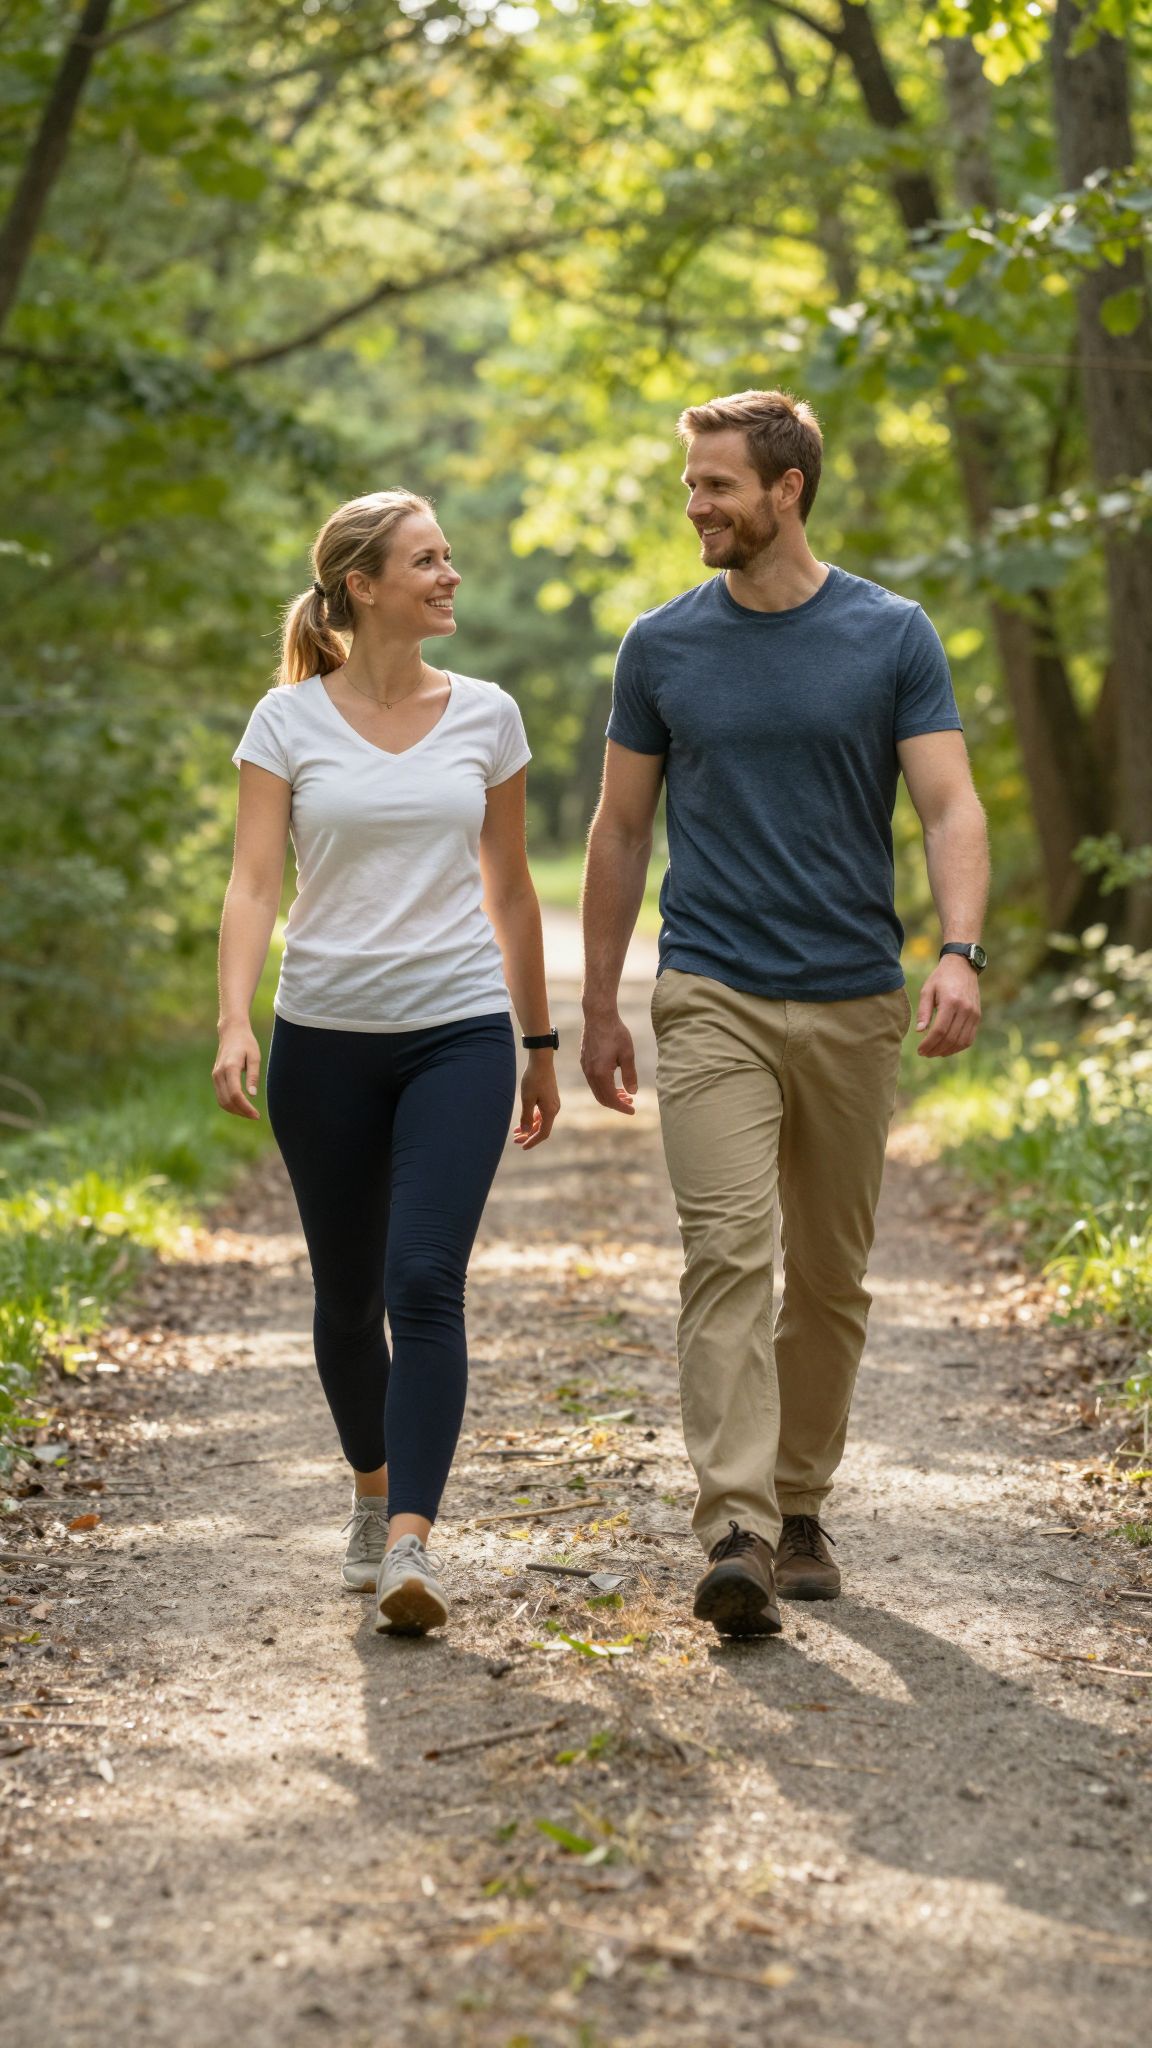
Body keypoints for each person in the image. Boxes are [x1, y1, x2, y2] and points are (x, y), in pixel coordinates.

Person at [580, 391, 989, 1638]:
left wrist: (959, 951)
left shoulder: (891, 633)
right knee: (726, 1249)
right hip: (711, 991)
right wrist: (596, 1003)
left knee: (828, 1274)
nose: (695, 505)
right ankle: (738, 1527)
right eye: (692, 483)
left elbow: (951, 809)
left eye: (716, 485)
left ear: (787, 489)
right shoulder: (661, 645)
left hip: (854, 994)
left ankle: (804, 1502)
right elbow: (620, 827)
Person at [213, 488, 560, 1637]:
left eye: (449, 556)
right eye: (427, 560)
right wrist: (234, 1018)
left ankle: (412, 1537)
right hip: (323, 1041)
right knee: (347, 1293)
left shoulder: (489, 715)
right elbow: (255, 881)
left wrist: (539, 1039)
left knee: (424, 1281)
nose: (451, 574)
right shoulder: (286, 723)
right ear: (363, 587)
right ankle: (369, 1488)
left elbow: (510, 888)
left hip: (457, 1031)